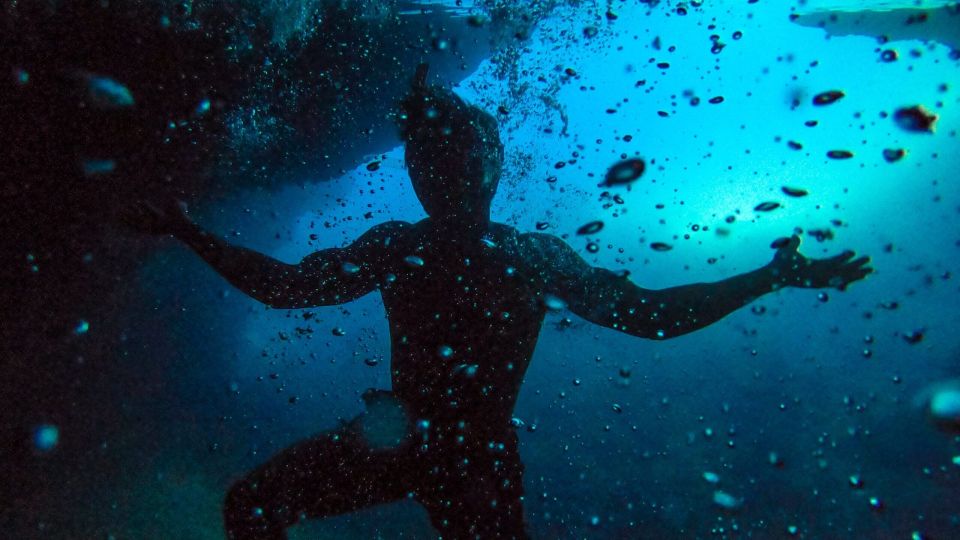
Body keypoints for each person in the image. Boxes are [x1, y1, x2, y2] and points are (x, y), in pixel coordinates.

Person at [128, 64, 871, 539]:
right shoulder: (477, 252)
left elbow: (650, 318)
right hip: (441, 451)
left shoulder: (465, 251)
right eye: (425, 156)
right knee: (251, 507)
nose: (436, 170)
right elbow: (649, 318)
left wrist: (190, 233)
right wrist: (189, 231)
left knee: (254, 507)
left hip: (451, 455)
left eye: (448, 155)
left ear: (490, 165)